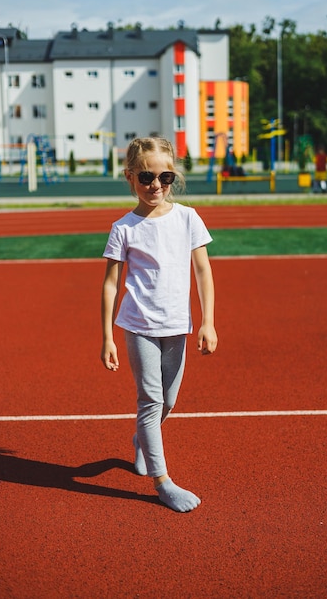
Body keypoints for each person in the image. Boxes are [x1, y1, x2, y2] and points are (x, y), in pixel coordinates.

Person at [100, 136, 218, 512]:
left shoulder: (187, 217)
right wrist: (107, 337)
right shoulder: (124, 228)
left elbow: (203, 270)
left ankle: (140, 440)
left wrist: (208, 322)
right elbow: (110, 284)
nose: (156, 185)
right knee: (150, 400)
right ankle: (162, 481)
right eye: (147, 176)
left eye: (165, 177)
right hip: (138, 325)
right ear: (130, 177)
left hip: (177, 325)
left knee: (169, 400)